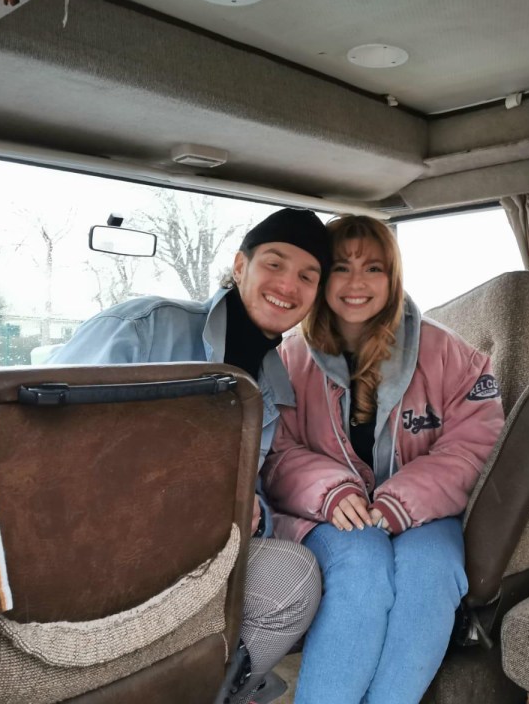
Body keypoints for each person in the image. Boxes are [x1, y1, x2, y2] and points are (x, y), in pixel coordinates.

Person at [49, 207, 329, 704]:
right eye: (274, 263)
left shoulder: (275, 386)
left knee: (294, 577)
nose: (288, 284)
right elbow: (46, 443)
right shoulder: (145, 328)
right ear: (240, 267)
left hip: (197, 552)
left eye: (308, 276)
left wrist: (256, 507)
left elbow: (253, 478)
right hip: (92, 541)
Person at [262, 215, 505, 704]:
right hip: (327, 514)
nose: (357, 284)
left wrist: (402, 502)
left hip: (426, 512)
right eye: (341, 268)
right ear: (321, 278)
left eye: (373, 268)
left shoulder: (449, 354)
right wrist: (331, 493)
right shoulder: (287, 360)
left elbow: (475, 444)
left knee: (431, 574)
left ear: (392, 278)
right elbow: (275, 451)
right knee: (363, 570)